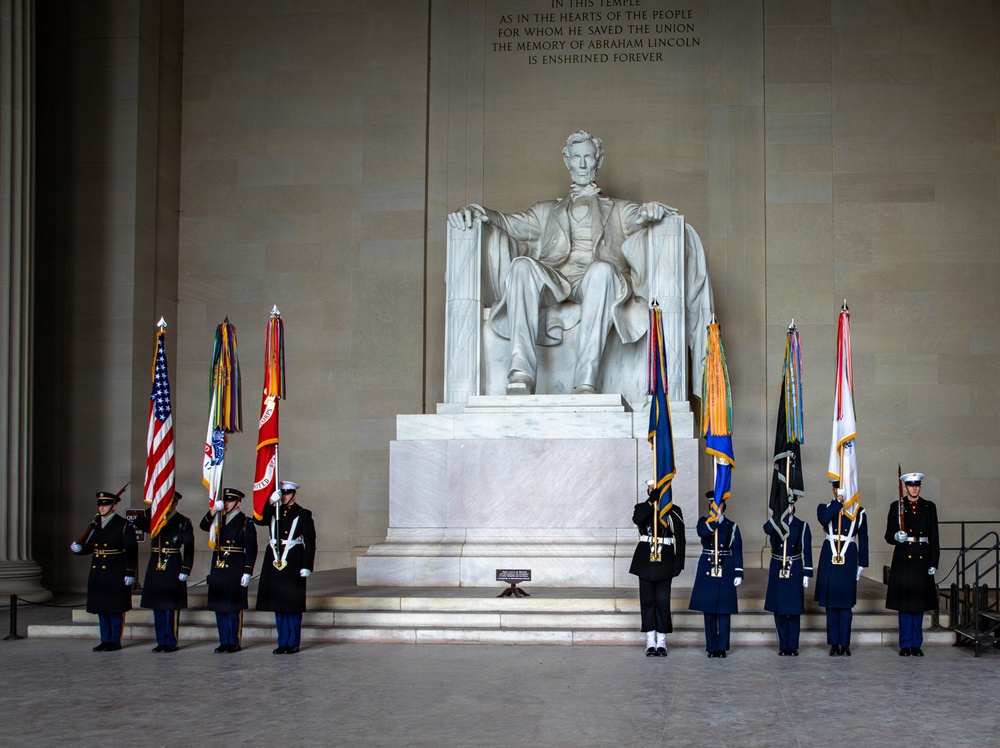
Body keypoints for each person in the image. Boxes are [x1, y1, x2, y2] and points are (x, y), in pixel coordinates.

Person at [447, 130, 713, 396]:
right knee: (521, 266)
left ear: (598, 161)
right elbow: (506, 222)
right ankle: (520, 374)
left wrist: (649, 212)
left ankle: (586, 381)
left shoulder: (620, 209)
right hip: (556, 280)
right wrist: (476, 211)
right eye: (577, 158)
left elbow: (640, 218)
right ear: (568, 161)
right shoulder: (544, 211)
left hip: (598, 281)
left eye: (588, 157)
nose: (583, 164)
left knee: (602, 270)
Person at [70, 491, 138, 651]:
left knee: (114, 608)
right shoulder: (95, 525)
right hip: (98, 572)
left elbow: (131, 551)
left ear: (114, 506)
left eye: (105, 505)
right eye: (100, 505)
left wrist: (130, 572)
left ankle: (114, 640)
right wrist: (79, 549)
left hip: (115, 571)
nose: (101, 508)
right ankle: (105, 640)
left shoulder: (124, 525)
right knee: (102, 608)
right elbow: (91, 547)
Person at [254, 480, 316, 654]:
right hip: (274, 560)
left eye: (287, 493)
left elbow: (310, 542)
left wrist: (307, 565)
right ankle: (282, 642)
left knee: (292, 603)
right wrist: (270, 502)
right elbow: (258, 519)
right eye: (281, 493)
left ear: (294, 494)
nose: (284, 496)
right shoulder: (274, 511)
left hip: (293, 560)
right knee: (279, 603)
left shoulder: (303, 514)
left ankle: (293, 642)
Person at [885, 471, 940, 656]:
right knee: (904, 604)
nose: (914, 488)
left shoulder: (929, 507)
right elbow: (888, 535)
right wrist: (896, 536)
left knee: (918, 604)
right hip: (903, 558)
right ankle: (905, 644)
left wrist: (934, 562)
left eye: (917, 485)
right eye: (911, 485)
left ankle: (916, 644)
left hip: (922, 558)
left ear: (920, 487)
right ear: (905, 487)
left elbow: (934, 536)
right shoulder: (897, 506)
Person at [629, 480, 685, 656]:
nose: (654, 491)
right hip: (645, 560)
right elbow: (638, 519)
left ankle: (661, 641)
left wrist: (679, 563)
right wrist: (651, 502)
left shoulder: (673, 510)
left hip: (665, 560)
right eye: (651, 489)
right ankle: (649, 641)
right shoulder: (642, 507)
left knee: (662, 602)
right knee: (647, 601)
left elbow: (680, 538)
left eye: (657, 489)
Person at [134, 490, 195, 653]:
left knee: (171, 605)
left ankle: (171, 641)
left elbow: (189, 547)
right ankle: (161, 641)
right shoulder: (156, 519)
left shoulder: (183, 521)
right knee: (158, 604)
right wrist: (154, 507)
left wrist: (186, 568)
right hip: (156, 562)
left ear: (175, 504)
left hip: (173, 562)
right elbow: (139, 522)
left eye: (169, 502)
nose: (167, 506)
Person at [199, 487, 258, 653]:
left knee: (233, 607)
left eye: (231, 501)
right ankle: (223, 641)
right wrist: (213, 510)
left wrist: (248, 571)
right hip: (218, 568)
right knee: (219, 607)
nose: (227, 504)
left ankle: (233, 641)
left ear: (238, 503)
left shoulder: (246, 522)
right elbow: (203, 525)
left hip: (235, 567)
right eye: (225, 501)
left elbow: (252, 549)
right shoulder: (218, 519)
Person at [815, 480, 869, 656]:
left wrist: (862, 563)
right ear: (833, 489)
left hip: (848, 558)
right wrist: (838, 501)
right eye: (837, 487)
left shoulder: (859, 512)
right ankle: (833, 643)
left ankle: (845, 643)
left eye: (844, 487)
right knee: (831, 606)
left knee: (845, 606)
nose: (840, 490)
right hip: (830, 558)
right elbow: (824, 518)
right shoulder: (824, 508)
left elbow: (864, 538)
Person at [689, 492, 743, 658]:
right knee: (709, 611)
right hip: (708, 564)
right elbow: (703, 532)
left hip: (725, 566)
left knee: (724, 610)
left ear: (724, 505)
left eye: (719, 504)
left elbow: (737, 550)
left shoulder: (732, 526)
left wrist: (738, 572)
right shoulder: (703, 522)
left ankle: (722, 647)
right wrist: (715, 521)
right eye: (713, 504)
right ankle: (712, 647)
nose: (717, 507)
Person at [763, 501, 813, 656]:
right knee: (779, 610)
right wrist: (778, 516)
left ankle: (793, 645)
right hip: (778, 566)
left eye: (790, 505)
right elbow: (766, 529)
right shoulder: (775, 523)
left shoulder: (802, 525)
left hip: (794, 567)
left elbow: (808, 551)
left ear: (794, 506)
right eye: (785, 504)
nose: (788, 508)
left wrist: (807, 573)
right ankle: (783, 646)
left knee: (794, 610)